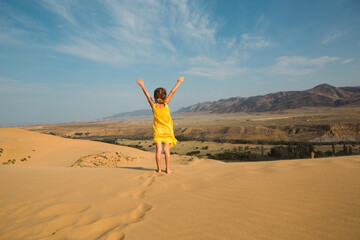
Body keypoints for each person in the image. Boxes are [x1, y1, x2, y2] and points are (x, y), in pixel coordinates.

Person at [137, 77, 184, 174]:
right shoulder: (166, 104)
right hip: (167, 131)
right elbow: (172, 92)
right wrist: (179, 82)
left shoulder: (153, 106)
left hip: (158, 131)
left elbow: (147, 94)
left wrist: (142, 85)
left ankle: (158, 169)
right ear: (164, 96)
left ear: (155, 97)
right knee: (166, 150)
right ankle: (167, 169)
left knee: (158, 150)